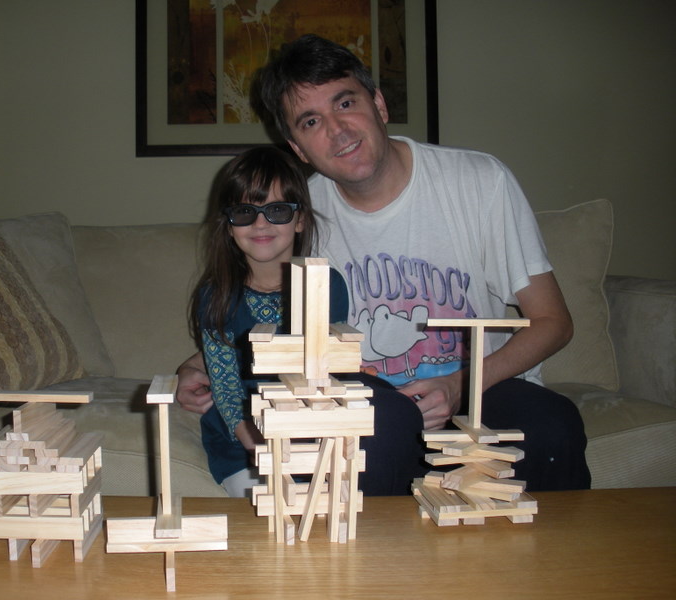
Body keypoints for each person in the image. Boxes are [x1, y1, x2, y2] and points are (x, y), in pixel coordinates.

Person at [178, 34, 591, 493]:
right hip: (367, 401)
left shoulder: (479, 181)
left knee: (552, 427)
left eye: (345, 103)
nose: (338, 130)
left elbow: (553, 322)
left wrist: (460, 384)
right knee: (375, 430)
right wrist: (197, 366)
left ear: (378, 103)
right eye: (311, 121)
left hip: (481, 388)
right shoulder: (292, 215)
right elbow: (261, 314)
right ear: (298, 148)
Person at [189, 146, 349, 497]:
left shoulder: (326, 285)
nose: (260, 223)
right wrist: (254, 439)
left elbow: (327, 376)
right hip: (243, 437)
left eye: (277, 210)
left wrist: (304, 440)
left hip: (310, 429)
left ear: (300, 219)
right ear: (229, 225)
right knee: (265, 505)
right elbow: (225, 384)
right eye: (245, 212)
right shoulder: (215, 295)